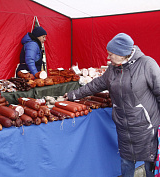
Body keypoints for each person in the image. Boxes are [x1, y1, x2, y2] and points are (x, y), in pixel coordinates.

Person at [64, 33, 160, 177]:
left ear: (122, 54)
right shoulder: (113, 69)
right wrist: (73, 95)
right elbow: (96, 85)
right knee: (126, 162)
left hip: (146, 126)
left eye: (111, 54)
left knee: (149, 163)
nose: (108, 57)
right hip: (123, 126)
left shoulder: (147, 64)